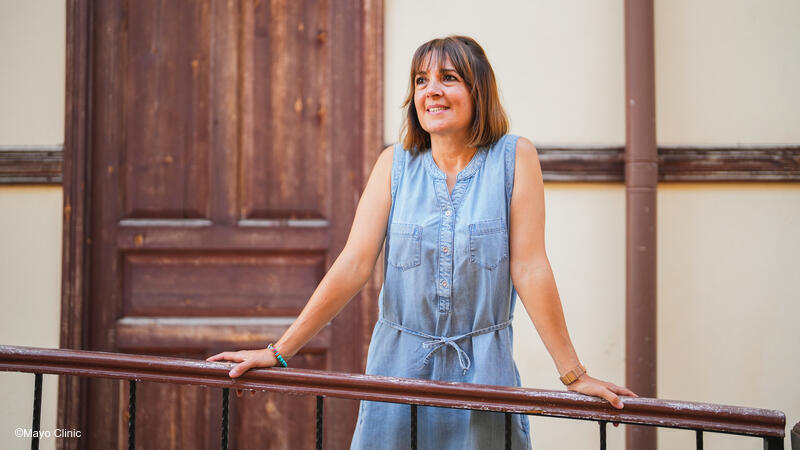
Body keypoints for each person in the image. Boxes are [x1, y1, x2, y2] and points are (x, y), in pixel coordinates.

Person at [207, 35, 636, 449]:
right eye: (421, 80)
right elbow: (354, 264)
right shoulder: (394, 164)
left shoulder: (514, 157)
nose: (432, 91)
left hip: (485, 376)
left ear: (478, 91)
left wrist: (574, 374)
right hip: (397, 374)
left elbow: (530, 268)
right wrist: (278, 353)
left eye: (448, 78)